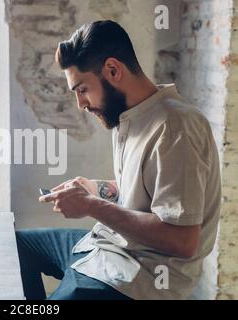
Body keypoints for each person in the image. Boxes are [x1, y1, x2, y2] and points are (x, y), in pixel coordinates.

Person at [16, 20, 221, 300]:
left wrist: (91, 206)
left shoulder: (175, 127)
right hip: (107, 247)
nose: (81, 104)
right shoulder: (126, 116)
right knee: (15, 247)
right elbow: (146, 190)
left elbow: (182, 240)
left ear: (113, 70)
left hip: (143, 276)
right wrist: (93, 189)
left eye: (82, 89)